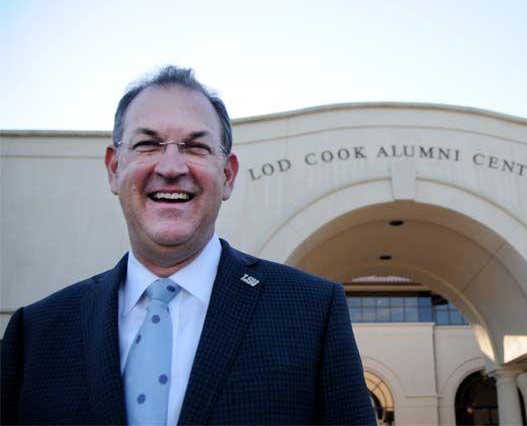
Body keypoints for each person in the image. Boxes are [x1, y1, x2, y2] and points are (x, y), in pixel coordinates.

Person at [1, 66, 375, 425]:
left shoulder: (312, 313)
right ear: (114, 168)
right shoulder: (35, 332)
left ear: (227, 176)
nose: (171, 167)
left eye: (196, 147)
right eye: (148, 144)